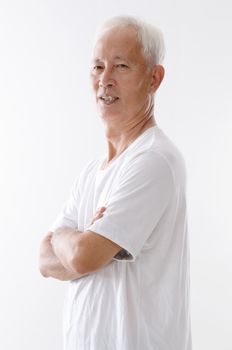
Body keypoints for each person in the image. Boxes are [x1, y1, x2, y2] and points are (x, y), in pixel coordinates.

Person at [39, 15, 192, 350]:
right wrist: (76, 241)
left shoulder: (154, 160)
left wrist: (72, 242)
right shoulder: (91, 172)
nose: (105, 80)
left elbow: (80, 258)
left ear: (154, 78)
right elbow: (44, 260)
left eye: (121, 66)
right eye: (97, 66)